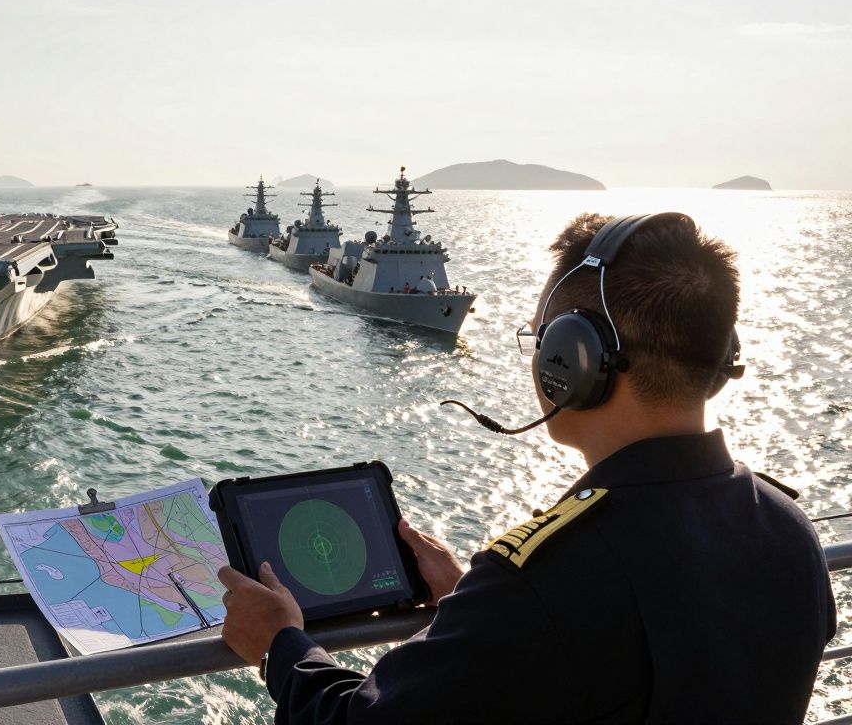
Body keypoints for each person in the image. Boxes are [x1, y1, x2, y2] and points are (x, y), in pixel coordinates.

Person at [219, 212, 836, 724]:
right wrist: (470, 609)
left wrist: (279, 646)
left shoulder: (544, 579)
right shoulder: (788, 528)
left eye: (543, 340)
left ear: (574, 360)